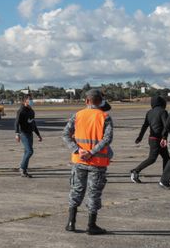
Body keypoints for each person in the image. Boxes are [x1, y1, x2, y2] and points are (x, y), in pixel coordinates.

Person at [62, 89, 113, 235]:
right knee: (94, 193)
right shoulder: (105, 116)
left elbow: (65, 134)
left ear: (87, 101)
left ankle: (71, 223)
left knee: (76, 190)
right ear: (100, 101)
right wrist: (92, 152)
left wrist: (77, 150)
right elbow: (107, 139)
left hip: (79, 161)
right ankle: (91, 225)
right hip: (97, 162)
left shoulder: (77, 115)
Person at [130, 95, 169, 184]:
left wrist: (140, 137)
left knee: (166, 158)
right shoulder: (163, 112)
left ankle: (166, 177)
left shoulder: (149, 112)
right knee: (152, 158)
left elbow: (145, 126)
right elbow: (166, 126)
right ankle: (135, 171)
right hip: (158, 139)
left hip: (152, 138)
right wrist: (164, 137)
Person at [15, 94, 43, 178]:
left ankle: (24, 169)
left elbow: (33, 123)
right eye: (30, 99)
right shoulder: (21, 111)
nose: (32, 101)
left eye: (32, 99)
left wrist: (38, 134)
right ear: (25, 101)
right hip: (23, 133)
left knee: (27, 152)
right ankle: (22, 168)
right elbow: (16, 123)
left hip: (30, 133)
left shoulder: (31, 111)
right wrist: (17, 134)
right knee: (30, 151)